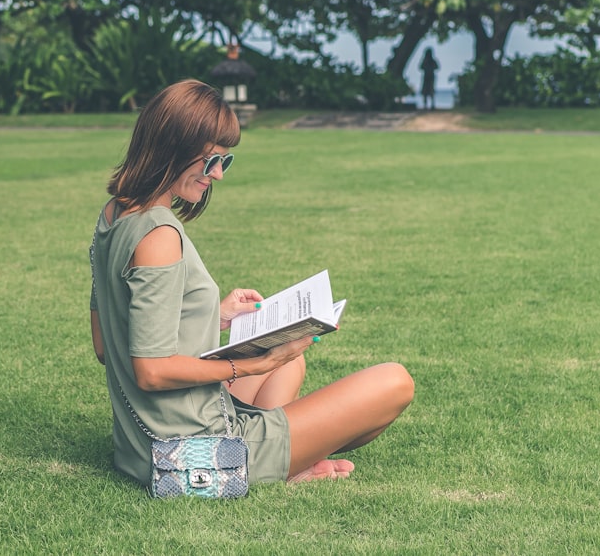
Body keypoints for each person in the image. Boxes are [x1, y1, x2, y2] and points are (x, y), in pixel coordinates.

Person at [89, 79, 414, 489]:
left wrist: (214, 314)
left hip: (138, 448)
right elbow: (151, 371)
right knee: (394, 382)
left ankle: (282, 458)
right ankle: (275, 464)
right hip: (191, 455)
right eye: (210, 162)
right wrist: (250, 364)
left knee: (291, 363)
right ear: (172, 146)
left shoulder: (113, 215)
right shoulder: (160, 235)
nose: (219, 175)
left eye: (226, 162)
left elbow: (107, 344)